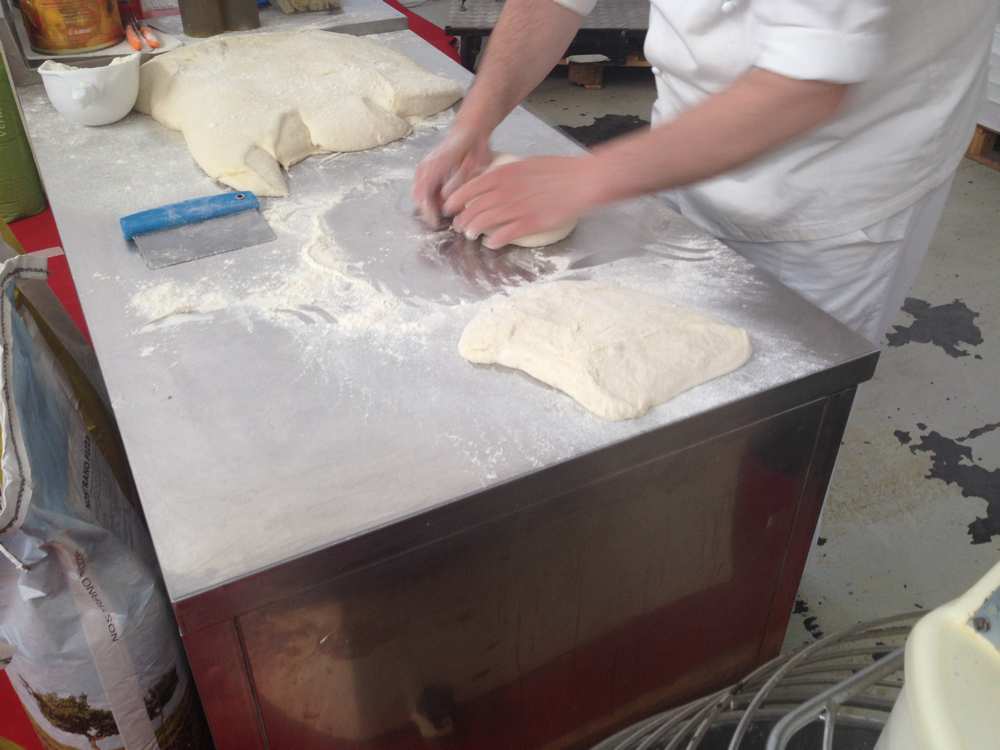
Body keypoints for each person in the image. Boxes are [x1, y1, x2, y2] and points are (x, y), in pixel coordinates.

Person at [413, 0, 997, 343]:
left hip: (831, 183)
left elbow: (808, 82)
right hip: (692, 132)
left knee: (776, 420)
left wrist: (581, 180)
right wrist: (476, 119)